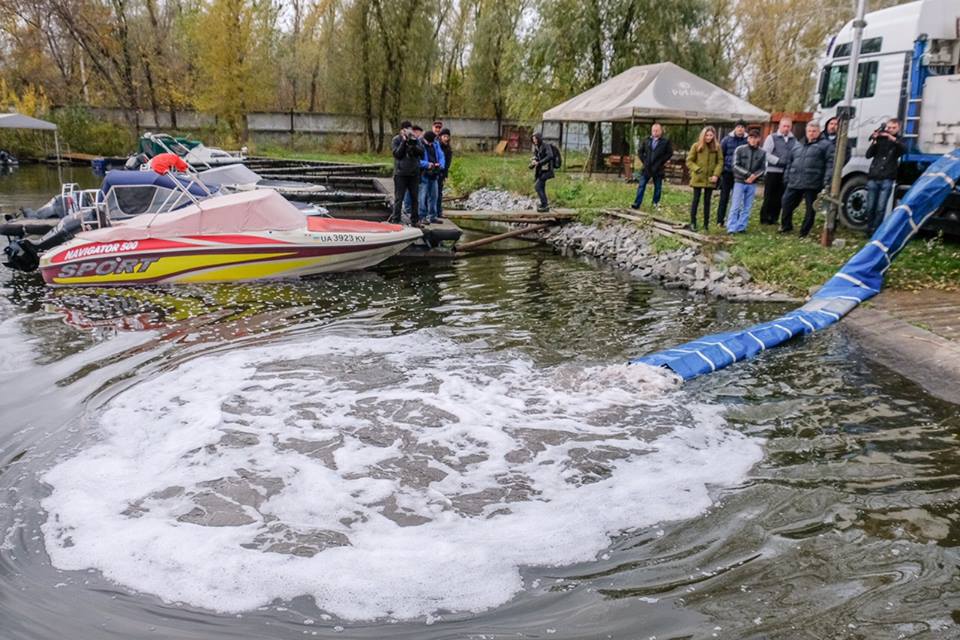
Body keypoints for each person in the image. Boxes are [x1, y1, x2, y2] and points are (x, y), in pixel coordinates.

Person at [779, 121, 834, 237]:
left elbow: (830, 164)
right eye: (809, 131)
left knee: (810, 209)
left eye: (814, 131)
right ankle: (786, 226)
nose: (811, 133)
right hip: (794, 181)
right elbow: (790, 162)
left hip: (813, 182)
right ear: (806, 132)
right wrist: (787, 177)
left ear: (819, 132)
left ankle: (804, 232)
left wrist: (826, 181)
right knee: (786, 203)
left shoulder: (826, 145)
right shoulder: (798, 144)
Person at [863, 118, 906, 234]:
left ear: (898, 128)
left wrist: (894, 140)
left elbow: (904, 150)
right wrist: (875, 140)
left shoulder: (899, 140)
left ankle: (876, 230)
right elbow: (868, 155)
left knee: (881, 208)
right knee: (870, 206)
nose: (890, 130)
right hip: (874, 176)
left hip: (887, 177)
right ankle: (868, 228)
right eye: (889, 127)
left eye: (894, 128)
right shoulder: (880, 138)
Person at [727, 128, 766, 234]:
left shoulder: (762, 152)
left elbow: (763, 168)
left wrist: (754, 176)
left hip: (752, 183)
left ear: (759, 139)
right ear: (748, 138)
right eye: (751, 137)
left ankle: (741, 227)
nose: (753, 140)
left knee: (747, 206)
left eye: (755, 138)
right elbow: (735, 165)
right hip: (739, 181)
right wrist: (748, 175)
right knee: (735, 205)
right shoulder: (740, 149)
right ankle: (731, 227)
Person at [759, 118, 795, 225]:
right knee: (769, 195)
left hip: (785, 171)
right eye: (784, 126)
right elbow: (765, 153)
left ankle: (774, 217)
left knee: (780, 196)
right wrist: (778, 161)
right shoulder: (772, 138)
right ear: (779, 126)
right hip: (773, 170)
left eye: (788, 126)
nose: (786, 128)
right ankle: (765, 217)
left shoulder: (794, 140)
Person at [685, 126, 722, 230]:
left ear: (714, 136)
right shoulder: (696, 146)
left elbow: (720, 161)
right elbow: (689, 161)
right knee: (696, 200)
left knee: (707, 201)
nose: (709, 137)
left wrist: (716, 174)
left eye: (711, 135)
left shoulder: (717, 147)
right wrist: (697, 169)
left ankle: (706, 224)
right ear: (703, 135)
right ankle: (693, 222)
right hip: (698, 177)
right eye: (707, 135)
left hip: (710, 178)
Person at [631, 123, 672, 210]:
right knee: (641, 185)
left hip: (658, 168)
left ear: (661, 131)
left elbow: (669, 153)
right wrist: (644, 161)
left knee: (658, 187)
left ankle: (655, 203)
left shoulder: (665, 142)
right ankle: (637, 203)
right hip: (647, 167)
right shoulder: (647, 140)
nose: (655, 132)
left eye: (657, 130)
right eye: (654, 130)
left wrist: (661, 161)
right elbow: (640, 151)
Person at [390, 120, 423, 226]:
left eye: (410, 129)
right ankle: (396, 219)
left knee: (415, 198)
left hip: (413, 174)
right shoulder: (396, 139)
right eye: (406, 129)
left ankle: (415, 220)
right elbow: (397, 154)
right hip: (401, 174)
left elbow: (421, 152)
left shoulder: (416, 140)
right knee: (399, 198)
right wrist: (404, 142)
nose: (409, 131)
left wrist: (412, 144)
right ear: (402, 130)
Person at [716, 120, 749, 225]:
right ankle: (720, 220)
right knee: (724, 197)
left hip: (741, 174)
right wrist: (721, 171)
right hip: (727, 172)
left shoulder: (748, 140)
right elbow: (721, 156)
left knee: (738, 198)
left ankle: (735, 219)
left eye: (742, 127)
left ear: (745, 129)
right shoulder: (726, 140)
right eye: (738, 127)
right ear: (735, 128)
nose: (740, 129)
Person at [418, 130, 445, 224]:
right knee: (422, 196)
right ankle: (422, 216)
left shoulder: (435, 144)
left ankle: (433, 216)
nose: (431, 143)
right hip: (423, 174)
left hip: (434, 174)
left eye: (432, 142)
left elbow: (441, 155)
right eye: (430, 142)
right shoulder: (419, 144)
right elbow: (416, 161)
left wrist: (440, 165)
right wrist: (427, 164)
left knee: (434, 196)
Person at [530, 132, 556, 212]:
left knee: (537, 187)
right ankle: (544, 204)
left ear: (539, 138)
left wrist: (539, 162)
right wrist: (533, 162)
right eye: (533, 139)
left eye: (536, 139)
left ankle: (545, 205)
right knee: (541, 187)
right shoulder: (536, 147)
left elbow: (550, 156)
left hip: (547, 170)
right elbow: (536, 157)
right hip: (541, 171)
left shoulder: (546, 146)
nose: (534, 141)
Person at [437, 127, 453, 219]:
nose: (446, 138)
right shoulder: (437, 146)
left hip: (442, 173)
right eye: (444, 136)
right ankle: (432, 212)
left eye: (447, 136)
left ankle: (439, 212)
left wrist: (445, 174)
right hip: (435, 172)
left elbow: (448, 163)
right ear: (440, 137)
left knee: (439, 193)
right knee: (433, 194)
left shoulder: (448, 149)